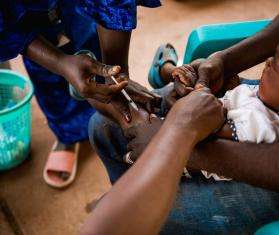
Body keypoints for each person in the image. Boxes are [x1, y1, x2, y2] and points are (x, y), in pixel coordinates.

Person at [87, 15, 279, 233]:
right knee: (102, 126)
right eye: (275, 54)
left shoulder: (259, 125)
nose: (268, 61)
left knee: (120, 219)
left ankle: (164, 70)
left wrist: (165, 137)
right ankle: (128, 188)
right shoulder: (263, 97)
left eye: (277, 66)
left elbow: (210, 128)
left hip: (231, 159)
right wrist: (223, 65)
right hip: (204, 136)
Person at [0, 0, 161, 188]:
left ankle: (92, 112)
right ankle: (68, 134)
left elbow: (113, 4)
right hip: (22, 13)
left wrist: (116, 74)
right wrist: (59, 62)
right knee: (48, 79)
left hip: (77, 9)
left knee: (89, 44)